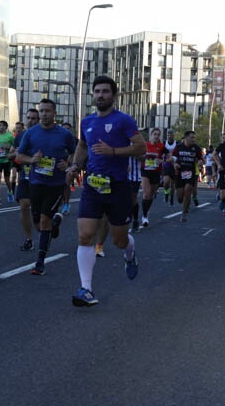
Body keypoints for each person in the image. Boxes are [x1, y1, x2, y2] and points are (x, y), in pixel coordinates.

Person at [66, 75, 146, 307]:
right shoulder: (87, 122)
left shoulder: (124, 120)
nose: (100, 95)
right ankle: (86, 289)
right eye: (97, 91)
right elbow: (83, 146)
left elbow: (141, 147)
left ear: (113, 95)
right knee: (85, 235)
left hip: (118, 186)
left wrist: (113, 151)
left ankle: (130, 255)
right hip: (92, 184)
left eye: (105, 91)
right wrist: (75, 165)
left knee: (119, 239)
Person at [15, 98, 77, 275]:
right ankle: (54, 225)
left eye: (47, 111)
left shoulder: (64, 134)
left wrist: (68, 163)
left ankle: (40, 262)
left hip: (56, 184)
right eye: (41, 111)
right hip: (35, 182)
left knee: (44, 220)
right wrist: (31, 159)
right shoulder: (31, 133)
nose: (43, 114)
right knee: (38, 223)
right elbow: (19, 155)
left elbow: (75, 152)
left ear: (54, 113)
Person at [14, 108, 40, 250]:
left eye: (33, 118)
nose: (30, 121)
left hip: (43, 177)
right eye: (28, 118)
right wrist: (17, 155)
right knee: (24, 205)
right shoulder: (21, 135)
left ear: (39, 120)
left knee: (38, 213)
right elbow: (12, 155)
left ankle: (45, 228)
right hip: (25, 175)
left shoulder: (45, 135)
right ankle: (29, 239)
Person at [172, 130, 202, 222]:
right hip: (180, 173)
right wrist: (175, 164)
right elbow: (173, 158)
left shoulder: (196, 148)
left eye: (194, 137)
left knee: (188, 190)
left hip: (190, 173)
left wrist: (200, 162)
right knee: (180, 197)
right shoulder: (178, 147)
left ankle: (184, 213)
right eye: (191, 137)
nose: (193, 139)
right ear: (186, 138)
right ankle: (183, 201)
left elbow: (200, 158)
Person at [140, 127, 164, 228]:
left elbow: (169, 157)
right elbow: (139, 156)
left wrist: (161, 161)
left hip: (156, 173)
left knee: (150, 195)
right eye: (155, 134)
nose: (156, 136)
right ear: (151, 135)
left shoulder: (161, 146)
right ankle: (144, 216)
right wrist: (144, 158)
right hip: (145, 171)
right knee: (147, 194)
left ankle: (146, 211)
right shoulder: (145, 145)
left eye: (158, 135)